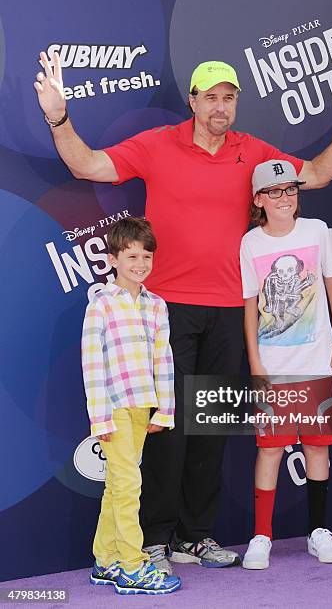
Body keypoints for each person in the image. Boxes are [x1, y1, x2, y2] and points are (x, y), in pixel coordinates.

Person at [34, 54, 332, 573]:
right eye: (210, 96)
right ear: (193, 101)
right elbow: (88, 165)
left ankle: (196, 538)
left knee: (211, 427)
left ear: (236, 103)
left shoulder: (252, 153)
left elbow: (318, 175)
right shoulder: (157, 144)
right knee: (168, 427)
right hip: (167, 309)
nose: (220, 106)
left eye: (229, 97)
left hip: (228, 312)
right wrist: (59, 118)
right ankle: (154, 540)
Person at [240, 159, 332, 570]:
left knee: (318, 448)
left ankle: (319, 532)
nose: (284, 198)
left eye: (291, 190)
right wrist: (255, 360)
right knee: (268, 451)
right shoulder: (250, 243)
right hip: (273, 368)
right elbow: (250, 304)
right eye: (275, 191)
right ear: (259, 200)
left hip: (317, 363)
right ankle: (261, 536)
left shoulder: (317, 231)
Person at [81, 217, 181, 594]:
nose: (140, 263)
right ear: (113, 259)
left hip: (144, 407)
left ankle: (105, 559)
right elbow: (92, 362)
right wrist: (100, 416)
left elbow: (163, 359)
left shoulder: (157, 305)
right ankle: (132, 565)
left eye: (147, 256)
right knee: (128, 486)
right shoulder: (102, 304)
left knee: (117, 486)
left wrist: (165, 409)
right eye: (132, 256)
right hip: (114, 408)